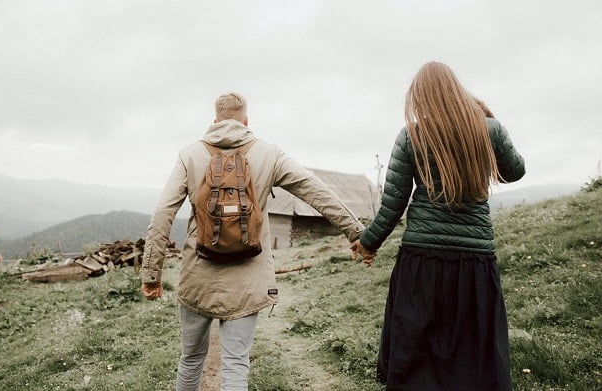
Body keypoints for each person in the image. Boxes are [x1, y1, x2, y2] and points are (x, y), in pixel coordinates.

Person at [140, 92, 366, 391]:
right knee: (236, 364)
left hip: (198, 275)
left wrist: (151, 275)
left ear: (215, 120)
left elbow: (163, 213)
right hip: (248, 279)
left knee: (192, 358)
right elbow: (316, 192)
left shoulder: (190, 155)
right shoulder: (269, 154)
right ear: (246, 121)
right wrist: (358, 234)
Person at [352, 62, 526, 390]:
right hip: (474, 262)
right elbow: (515, 171)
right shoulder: (490, 129)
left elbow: (392, 206)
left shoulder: (412, 136)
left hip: (422, 261)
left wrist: (368, 242)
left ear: (420, 98)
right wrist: (486, 118)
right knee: (472, 352)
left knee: (416, 353)